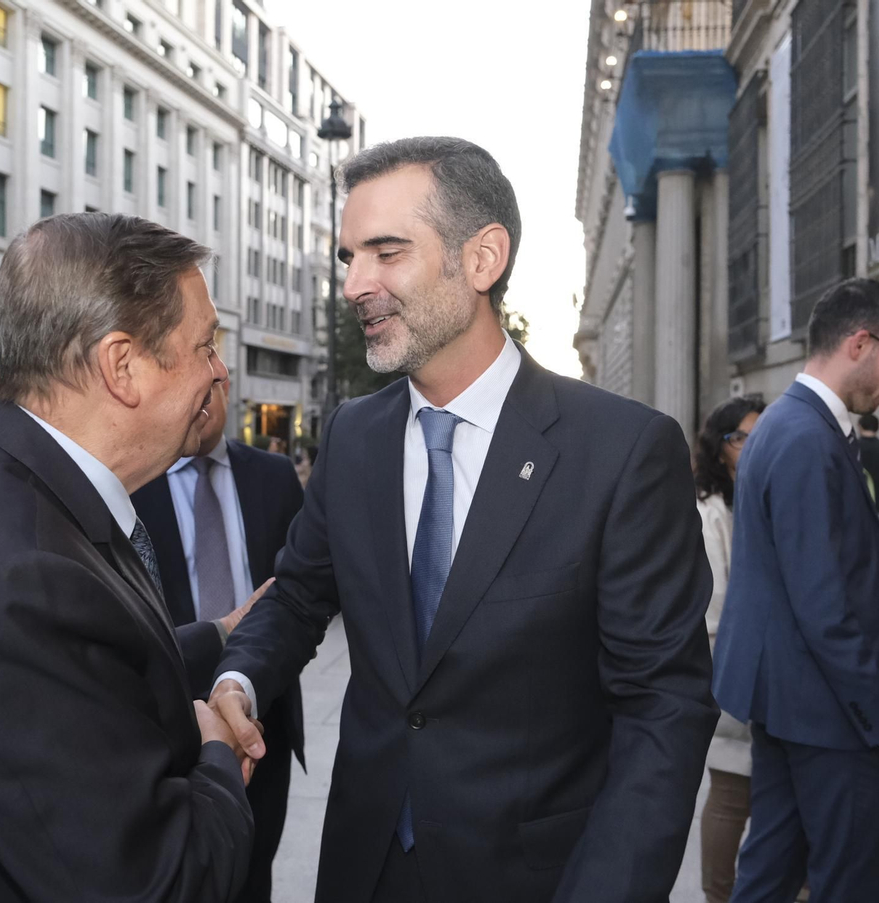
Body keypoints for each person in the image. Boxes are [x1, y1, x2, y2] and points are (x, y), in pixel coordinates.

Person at [210, 137, 717, 903]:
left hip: (537, 877)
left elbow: (663, 708)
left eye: (387, 252)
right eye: (348, 256)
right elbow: (301, 593)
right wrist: (241, 676)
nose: (354, 284)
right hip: (365, 865)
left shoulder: (621, 451)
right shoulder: (353, 436)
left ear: (482, 259)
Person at [0, 213, 255, 902]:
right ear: (122, 366)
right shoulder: (24, 575)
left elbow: (80, 681)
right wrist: (215, 750)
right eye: (205, 344)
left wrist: (218, 638)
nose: (219, 370)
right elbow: (161, 882)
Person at [713, 278, 879, 903]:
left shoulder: (794, 423)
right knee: (847, 882)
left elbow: (806, 580)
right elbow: (824, 605)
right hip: (823, 711)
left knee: (771, 869)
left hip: (789, 697)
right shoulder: (807, 437)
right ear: (862, 342)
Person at [132, 379, 306, 903]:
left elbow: (302, 590)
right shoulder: (135, 479)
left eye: (216, 382)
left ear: (230, 390)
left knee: (254, 872)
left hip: (262, 717)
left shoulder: (274, 476)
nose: (204, 396)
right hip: (174, 718)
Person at [692, 395, 767, 903]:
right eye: (741, 437)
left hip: (777, 672)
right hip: (735, 668)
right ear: (719, 450)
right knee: (731, 789)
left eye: (761, 434)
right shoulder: (710, 513)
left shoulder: (766, 496)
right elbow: (712, 610)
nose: (753, 446)